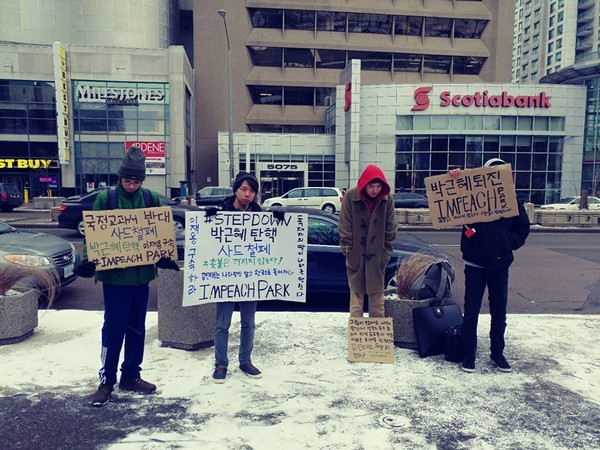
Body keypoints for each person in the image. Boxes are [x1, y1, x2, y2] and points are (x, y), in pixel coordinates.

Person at [77, 146, 180, 407]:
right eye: (127, 180)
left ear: (142, 180)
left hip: (142, 278)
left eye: (136, 181)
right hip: (114, 280)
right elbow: (94, 235)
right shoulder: (106, 199)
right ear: (119, 177)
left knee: (137, 328)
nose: (131, 185)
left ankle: (131, 375)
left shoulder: (150, 198)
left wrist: (164, 256)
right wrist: (88, 260)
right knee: (113, 329)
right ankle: (106, 381)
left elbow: (159, 234)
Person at [449, 158, 530, 373]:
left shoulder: (512, 199)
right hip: (475, 263)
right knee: (472, 310)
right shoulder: (472, 195)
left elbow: (523, 228)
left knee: (499, 311)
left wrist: (509, 243)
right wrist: (456, 177)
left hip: (500, 264)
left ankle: (497, 353)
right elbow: (452, 197)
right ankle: (469, 354)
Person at [212, 171, 263, 384]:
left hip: (250, 277)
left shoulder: (259, 214)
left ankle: (245, 361)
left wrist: (277, 222)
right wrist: (209, 220)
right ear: (235, 190)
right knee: (222, 323)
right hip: (226, 276)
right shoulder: (220, 212)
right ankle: (221, 364)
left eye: (252, 191)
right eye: (243, 189)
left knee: (248, 322)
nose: (247, 194)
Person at [338, 164, 397, 317]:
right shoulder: (351, 196)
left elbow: (391, 227)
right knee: (356, 299)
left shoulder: (386, 198)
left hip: (377, 255)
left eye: (378, 186)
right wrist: (348, 251)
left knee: (377, 299)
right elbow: (344, 225)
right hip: (356, 254)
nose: (375, 190)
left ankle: (377, 337)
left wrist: (386, 252)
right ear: (365, 183)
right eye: (372, 186)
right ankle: (357, 336)